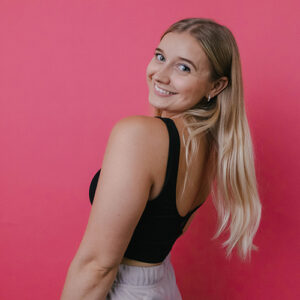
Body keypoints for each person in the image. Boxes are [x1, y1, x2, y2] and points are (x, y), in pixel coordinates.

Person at [60, 17, 262, 300]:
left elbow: (98, 266)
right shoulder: (210, 148)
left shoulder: (140, 135)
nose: (160, 74)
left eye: (183, 67)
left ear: (215, 87)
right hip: (161, 287)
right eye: (160, 57)